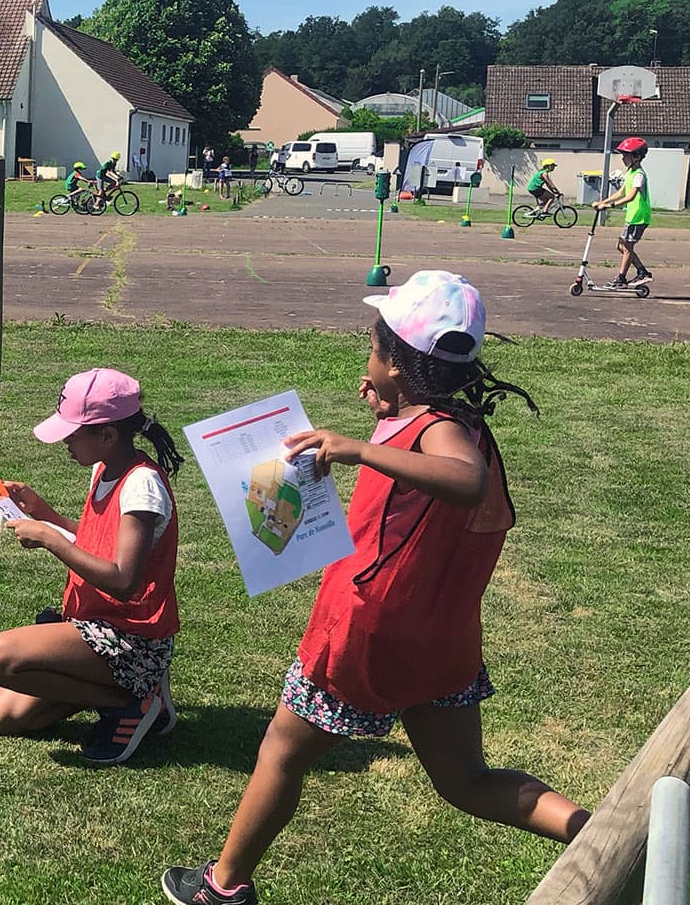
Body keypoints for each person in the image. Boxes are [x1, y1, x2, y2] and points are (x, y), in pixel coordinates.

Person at [159, 271, 584, 905]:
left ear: (395, 359)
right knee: (466, 781)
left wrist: (359, 447)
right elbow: (435, 465)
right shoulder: (447, 419)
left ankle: (222, 888)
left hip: (366, 633)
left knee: (281, 750)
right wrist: (386, 419)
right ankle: (610, 835)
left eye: (373, 343)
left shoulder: (439, 433)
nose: (368, 357)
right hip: (439, 638)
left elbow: (463, 481)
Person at [0, 367, 185, 765]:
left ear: (107, 435)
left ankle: (135, 701)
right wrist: (44, 512)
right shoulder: (105, 468)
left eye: (72, 435)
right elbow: (100, 543)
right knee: (3, 715)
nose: (65, 443)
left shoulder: (141, 486)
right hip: (95, 625)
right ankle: (130, 701)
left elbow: (124, 579)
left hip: (131, 640)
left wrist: (50, 539)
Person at [592, 138, 654, 288]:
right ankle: (642, 271)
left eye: (626, 155)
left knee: (626, 247)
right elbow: (621, 192)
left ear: (637, 157)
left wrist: (609, 206)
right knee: (621, 246)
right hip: (632, 216)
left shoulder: (639, 175)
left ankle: (621, 279)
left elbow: (630, 196)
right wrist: (603, 202)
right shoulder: (630, 172)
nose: (623, 158)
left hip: (639, 216)